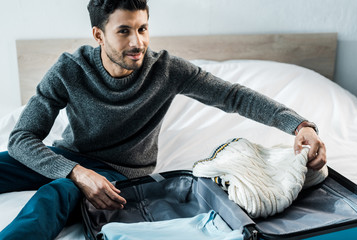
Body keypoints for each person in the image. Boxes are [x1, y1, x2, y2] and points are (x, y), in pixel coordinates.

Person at [0, 0, 326, 239]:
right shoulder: (69, 69)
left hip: (119, 172)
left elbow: (234, 96)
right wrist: (76, 171)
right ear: (98, 34)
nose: (137, 42)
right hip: (70, 158)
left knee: (58, 192)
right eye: (124, 31)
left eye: (142, 29)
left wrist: (300, 125)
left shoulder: (167, 70)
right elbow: (21, 139)